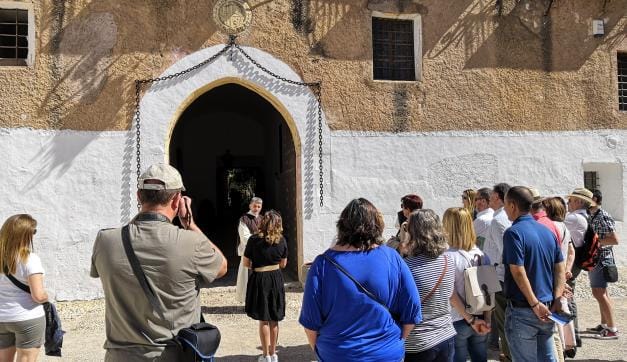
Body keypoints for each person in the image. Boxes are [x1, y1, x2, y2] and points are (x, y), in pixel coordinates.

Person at [90, 163, 228, 361]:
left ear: (139, 196)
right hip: (171, 355)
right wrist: (190, 224)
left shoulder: (105, 241)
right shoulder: (191, 242)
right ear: (177, 200)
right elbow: (222, 266)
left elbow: (126, 240)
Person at [299, 198, 422, 362]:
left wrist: (325, 351)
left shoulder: (322, 264)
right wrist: (396, 341)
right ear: (376, 225)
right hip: (385, 352)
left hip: (338, 353)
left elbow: (310, 322)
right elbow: (412, 309)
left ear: (342, 225)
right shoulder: (392, 257)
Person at [502, 186, 565, 362]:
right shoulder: (547, 231)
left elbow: (518, 270)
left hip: (526, 309)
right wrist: (557, 299)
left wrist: (535, 303)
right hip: (548, 306)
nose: (505, 209)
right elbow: (560, 267)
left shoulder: (513, 233)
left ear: (513, 205)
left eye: (506, 205)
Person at [400, 209, 458, 361]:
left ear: (413, 232)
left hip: (418, 342)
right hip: (446, 335)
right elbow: (449, 295)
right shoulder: (447, 260)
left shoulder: (406, 267)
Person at [442, 207, 492, 362]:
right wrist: (487, 319)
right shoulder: (482, 254)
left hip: (457, 319)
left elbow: (451, 295)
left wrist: (470, 319)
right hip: (481, 316)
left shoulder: (447, 257)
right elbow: (489, 291)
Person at [0, 214, 47, 362]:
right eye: (33, 232)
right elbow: (38, 296)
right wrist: (47, 296)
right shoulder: (30, 259)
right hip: (27, 318)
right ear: (25, 235)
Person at [243, 210, 288, 362]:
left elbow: (245, 263)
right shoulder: (281, 240)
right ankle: (274, 354)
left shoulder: (253, 240)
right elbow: (283, 264)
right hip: (275, 278)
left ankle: (265, 356)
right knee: (274, 318)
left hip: (260, 278)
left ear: (262, 222)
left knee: (263, 319)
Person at [543, 197, 577, 357]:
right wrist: (567, 270)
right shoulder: (563, 227)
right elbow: (571, 252)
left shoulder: (550, 227)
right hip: (560, 272)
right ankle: (567, 346)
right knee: (562, 308)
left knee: (554, 315)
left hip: (552, 273)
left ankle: (559, 351)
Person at [482, 182, 512, 360]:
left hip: (499, 275)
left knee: (502, 320)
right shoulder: (504, 218)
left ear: (500, 199)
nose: (490, 201)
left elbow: (504, 253)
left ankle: (508, 355)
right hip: (500, 273)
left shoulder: (498, 220)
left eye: (492, 198)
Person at [586, 189, 620, 339]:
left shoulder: (602, 216)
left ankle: (612, 329)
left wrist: (594, 243)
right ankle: (605, 325)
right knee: (602, 292)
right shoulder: (594, 215)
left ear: (595, 199)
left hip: (601, 258)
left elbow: (614, 239)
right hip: (597, 258)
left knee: (598, 292)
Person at [563, 188, 593, 348]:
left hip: (571, 262)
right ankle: (574, 334)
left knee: (567, 296)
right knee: (569, 296)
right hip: (576, 261)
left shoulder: (574, 218)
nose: (568, 203)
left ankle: (573, 335)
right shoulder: (584, 216)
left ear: (579, 202)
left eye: (571, 200)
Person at [236, 197, 263, 304]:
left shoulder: (263, 218)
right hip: (249, 254)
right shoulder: (244, 219)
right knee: (248, 279)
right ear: (250, 206)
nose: (256, 208)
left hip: (261, 255)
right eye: (254, 206)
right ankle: (249, 302)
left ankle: (259, 302)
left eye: (259, 206)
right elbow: (245, 237)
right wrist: (261, 240)